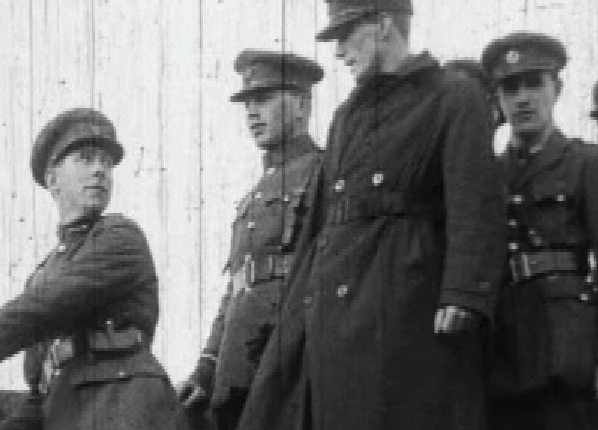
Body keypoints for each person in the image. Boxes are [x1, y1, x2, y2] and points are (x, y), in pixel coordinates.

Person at [236, 0, 507, 429]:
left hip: (406, 302)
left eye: (346, 35)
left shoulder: (453, 97)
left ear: (383, 25)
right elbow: (318, 226)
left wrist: (464, 293)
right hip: (335, 314)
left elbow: (475, 203)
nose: (339, 50)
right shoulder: (346, 116)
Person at [0, 108, 186, 430]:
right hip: (70, 409)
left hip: (127, 406)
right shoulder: (45, 273)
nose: (100, 170)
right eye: (86, 159)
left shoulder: (121, 237)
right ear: (52, 179)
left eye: (107, 163)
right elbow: (40, 393)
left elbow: (46, 306)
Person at [178, 50, 324, 430]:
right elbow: (236, 291)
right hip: (240, 367)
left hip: (291, 362)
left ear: (301, 106)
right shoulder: (252, 198)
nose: (252, 113)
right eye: (247, 103)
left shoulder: (323, 172)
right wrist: (206, 367)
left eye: (264, 99)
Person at [482, 32, 598, 430]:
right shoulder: (486, 175)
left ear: (558, 89)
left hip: (565, 345)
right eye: (510, 88)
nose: (523, 98)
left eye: (535, 83)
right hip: (502, 351)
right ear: (497, 99)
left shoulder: (585, 163)